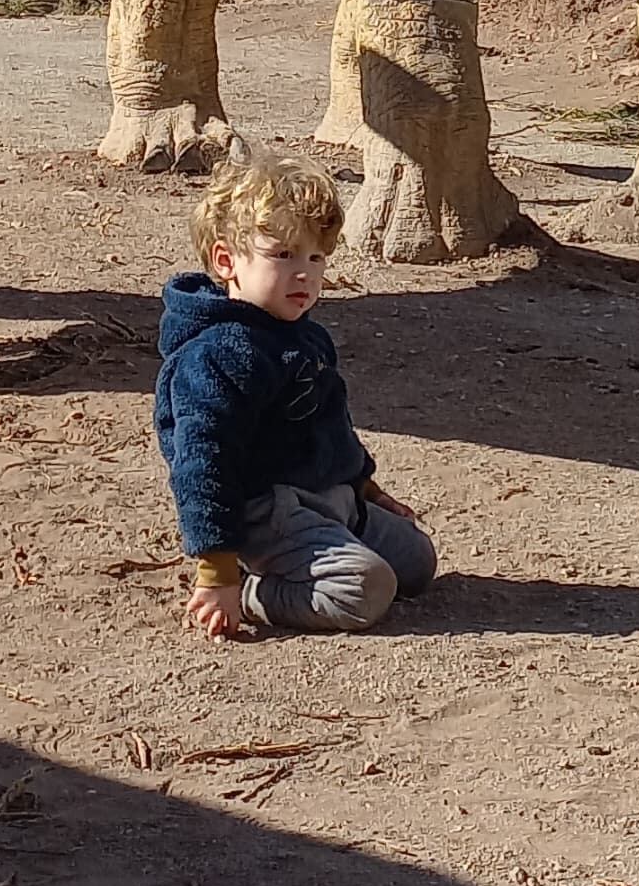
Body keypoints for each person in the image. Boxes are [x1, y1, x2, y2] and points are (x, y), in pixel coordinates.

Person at [155, 157, 436, 637]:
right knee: (363, 591)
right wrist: (217, 570)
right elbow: (203, 464)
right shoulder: (215, 356)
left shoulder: (307, 336)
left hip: (329, 495)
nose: (303, 275)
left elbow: (329, 424)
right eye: (283, 256)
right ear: (227, 262)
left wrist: (364, 484)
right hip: (265, 510)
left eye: (314, 258)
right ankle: (251, 588)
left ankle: (329, 539)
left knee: (417, 562)